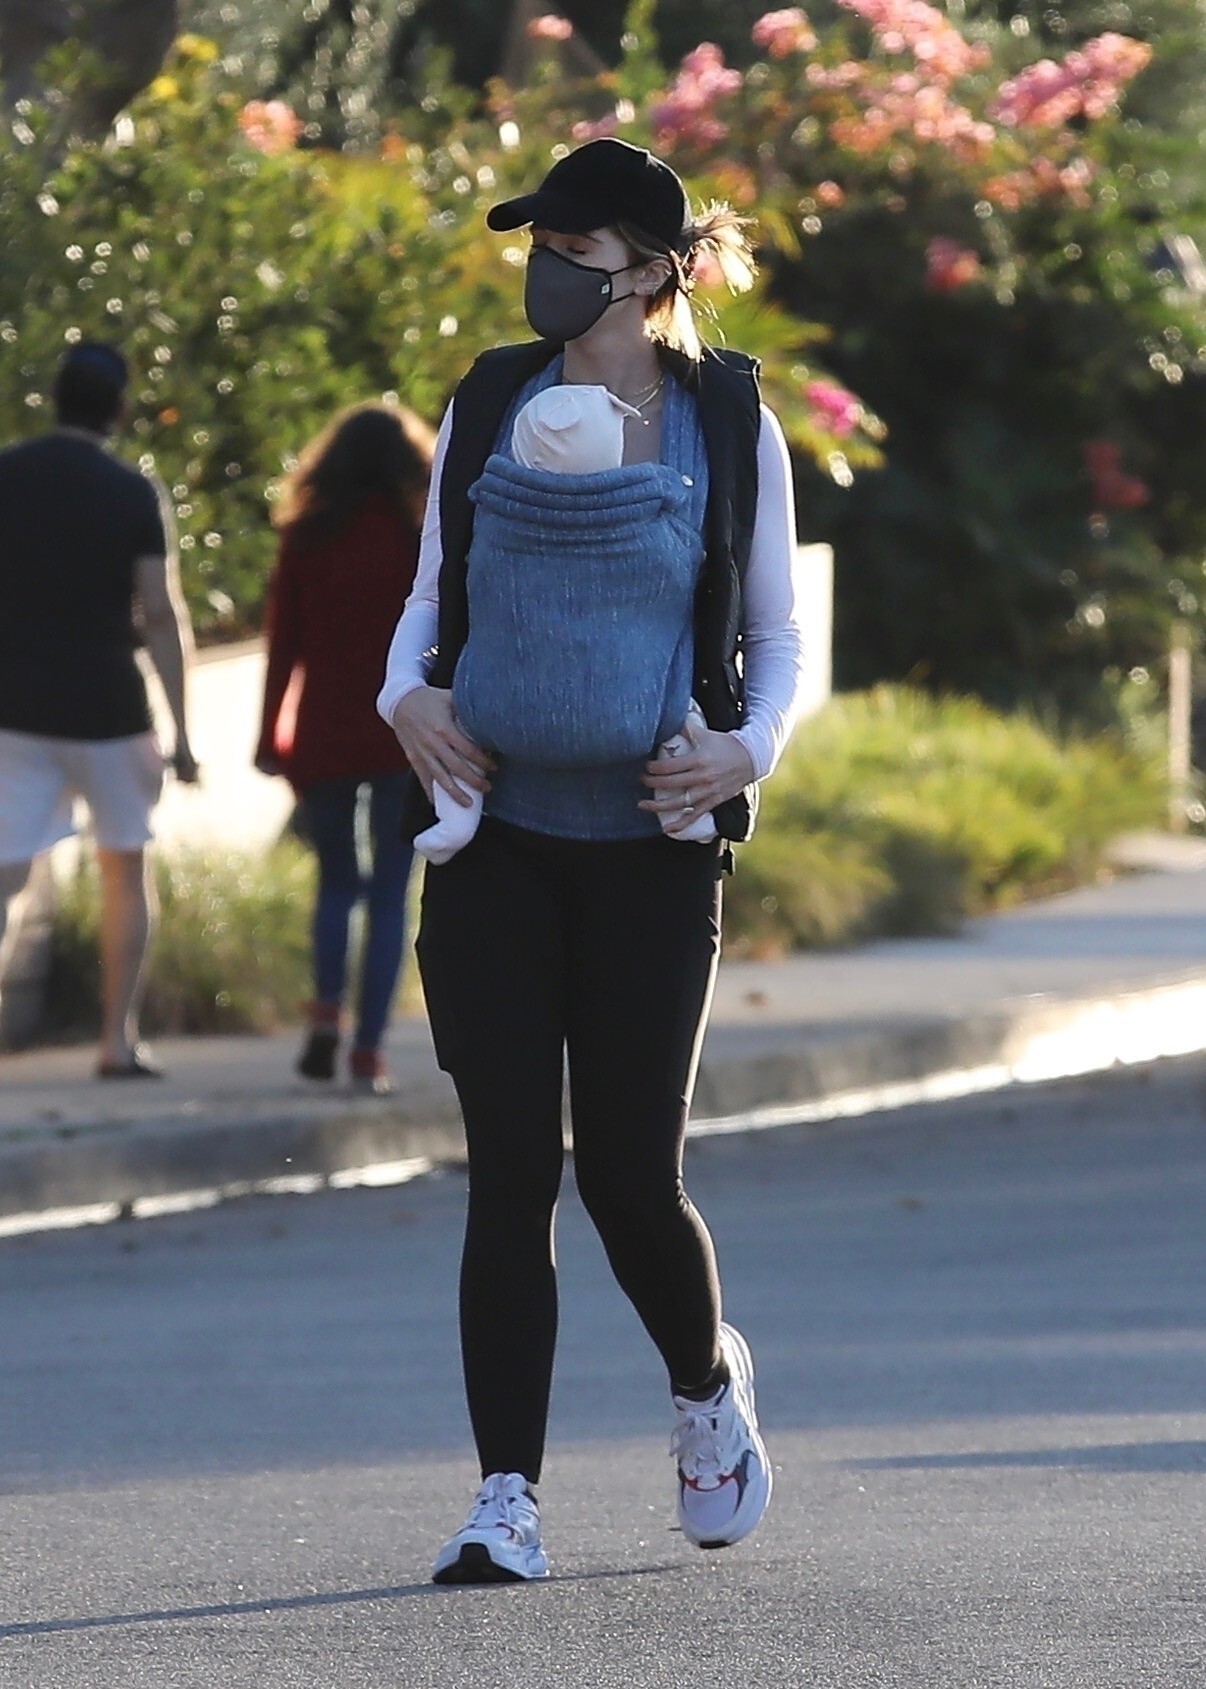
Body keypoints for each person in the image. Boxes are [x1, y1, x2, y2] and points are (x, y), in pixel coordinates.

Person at [378, 137, 807, 1584]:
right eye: (540, 246)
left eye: (575, 250)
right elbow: (430, 595)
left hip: (650, 852)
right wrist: (405, 698)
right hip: (493, 839)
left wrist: (747, 751)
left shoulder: (725, 420)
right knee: (510, 1172)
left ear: (652, 271)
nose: (548, 269)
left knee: (626, 1176)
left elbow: (778, 630)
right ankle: (505, 1497)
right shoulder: (491, 398)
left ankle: (704, 1384)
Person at [0, 341, 197, 1077]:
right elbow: (159, 613)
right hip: (111, 710)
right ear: (119, 409)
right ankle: (117, 1040)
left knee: (5, 873)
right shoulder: (131, 492)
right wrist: (183, 733)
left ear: (55, 399)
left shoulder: (7, 474)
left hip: (15, 706)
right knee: (124, 863)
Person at [413, 381, 713, 864]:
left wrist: (400, 689)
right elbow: (691, 566)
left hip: (497, 719)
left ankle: (456, 819)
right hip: (640, 721)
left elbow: (448, 589)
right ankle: (684, 811)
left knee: (465, 737)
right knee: (684, 723)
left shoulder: (496, 511)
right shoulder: (654, 504)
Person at [256, 401, 435, 1094]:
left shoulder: (307, 535)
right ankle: (368, 1050)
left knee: (336, 882)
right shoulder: (418, 538)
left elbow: (284, 644)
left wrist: (268, 735)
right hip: (404, 734)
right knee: (392, 893)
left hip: (325, 732)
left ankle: (327, 1008)